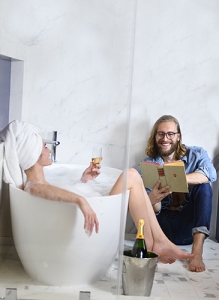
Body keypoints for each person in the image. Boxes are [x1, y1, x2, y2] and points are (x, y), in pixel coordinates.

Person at [0, 120, 194, 264]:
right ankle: (156, 242)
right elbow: (43, 190)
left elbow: (54, 190)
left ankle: (155, 243)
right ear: (33, 153)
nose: (49, 150)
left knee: (133, 177)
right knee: (132, 175)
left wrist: (83, 180)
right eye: (44, 147)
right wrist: (81, 201)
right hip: (89, 223)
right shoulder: (33, 184)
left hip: (92, 207)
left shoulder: (42, 180)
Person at [139, 115, 217, 272]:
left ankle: (197, 251)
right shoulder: (148, 164)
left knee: (204, 186)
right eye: (160, 134)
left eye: (170, 134)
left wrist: (177, 180)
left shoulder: (196, 154)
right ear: (155, 137)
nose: (165, 138)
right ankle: (159, 247)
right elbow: (151, 211)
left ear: (178, 136)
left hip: (187, 230)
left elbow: (210, 174)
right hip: (161, 231)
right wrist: (152, 200)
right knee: (144, 198)